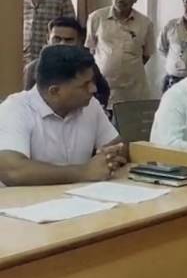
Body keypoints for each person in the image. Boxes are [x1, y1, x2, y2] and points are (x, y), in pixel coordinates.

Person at [0, 45, 127, 186]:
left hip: (79, 196)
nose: (93, 89)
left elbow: (119, 145)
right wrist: (83, 172)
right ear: (54, 91)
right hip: (26, 199)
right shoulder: (14, 109)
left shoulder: (90, 104)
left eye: (92, 81)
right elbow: (12, 172)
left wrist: (110, 156)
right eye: (84, 85)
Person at [86, 0, 155, 107]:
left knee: (132, 120)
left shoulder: (145, 23)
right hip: (102, 90)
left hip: (133, 92)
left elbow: (146, 55)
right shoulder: (96, 18)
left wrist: (126, 68)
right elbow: (91, 49)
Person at [23, 17, 111, 108]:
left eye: (69, 40)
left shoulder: (88, 68)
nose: (62, 44)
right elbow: (28, 101)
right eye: (57, 39)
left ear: (79, 42)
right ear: (48, 39)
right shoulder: (33, 69)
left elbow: (103, 93)